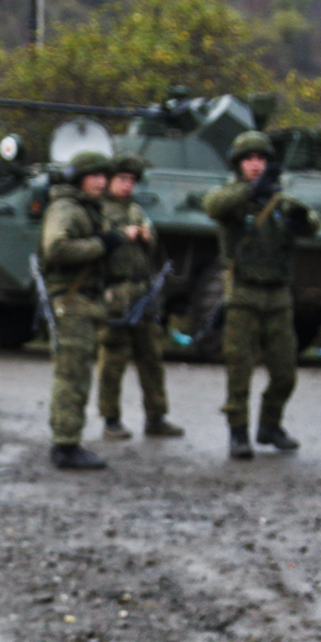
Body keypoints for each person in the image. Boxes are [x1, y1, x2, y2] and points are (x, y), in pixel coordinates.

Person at [203, 131, 320, 459]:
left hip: (278, 297)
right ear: (239, 164)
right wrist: (253, 191)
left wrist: (302, 220)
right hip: (243, 294)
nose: (255, 164)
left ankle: (270, 425)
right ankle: (238, 433)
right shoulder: (231, 196)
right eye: (249, 159)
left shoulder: (279, 201)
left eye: (261, 159)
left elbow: (312, 223)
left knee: (285, 373)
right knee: (239, 371)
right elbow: (213, 206)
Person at [39, 150, 132, 469]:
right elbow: (56, 247)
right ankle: (65, 445)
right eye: (93, 176)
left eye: (103, 176)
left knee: (78, 372)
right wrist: (102, 244)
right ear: (79, 179)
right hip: (72, 299)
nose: (100, 182)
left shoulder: (90, 210)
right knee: (72, 374)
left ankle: (68, 440)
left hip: (86, 299)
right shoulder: (67, 208)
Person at [96, 155, 183, 441]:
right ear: (110, 180)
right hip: (115, 293)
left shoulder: (136, 210)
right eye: (122, 179)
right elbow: (95, 244)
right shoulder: (100, 211)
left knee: (152, 359)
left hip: (142, 293)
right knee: (113, 359)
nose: (127, 186)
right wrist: (121, 234)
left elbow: (155, 243)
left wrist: (147, 236)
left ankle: (156, 417)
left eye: (132, 181)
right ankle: (111, 419)